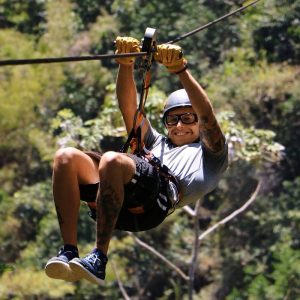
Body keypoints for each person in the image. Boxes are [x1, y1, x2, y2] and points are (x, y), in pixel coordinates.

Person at [44, 37, 228, 285]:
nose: (180, 125)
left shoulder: (211, 155)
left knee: (111, 160)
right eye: (172, 120)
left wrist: (180, 70)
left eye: (187, 117)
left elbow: (207, 115)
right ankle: (68, 250)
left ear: (198, 122)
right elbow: (129, 108)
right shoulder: (155, 142)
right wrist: (125, 64)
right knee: (65, 157)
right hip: (118, 202)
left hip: (154, 203)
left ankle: (99, 258)